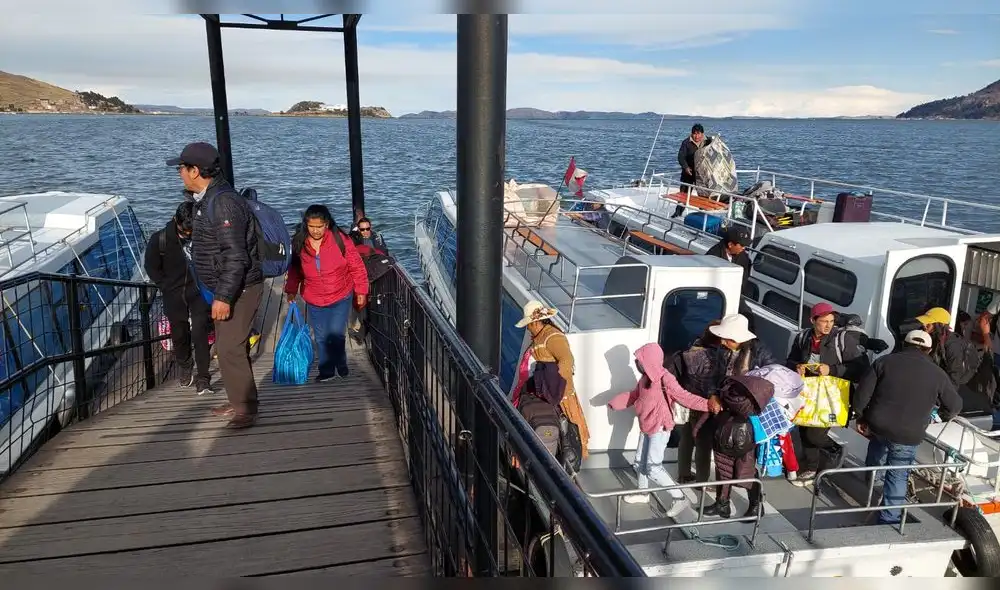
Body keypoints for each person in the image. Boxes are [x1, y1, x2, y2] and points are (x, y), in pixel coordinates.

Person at [167, 142, 263, 429]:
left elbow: (236, 254)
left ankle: (246, 409)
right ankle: (238, 401)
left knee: (230, 347)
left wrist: (223, 296)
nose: (179, 174)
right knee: (226, 345)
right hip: (226, 287)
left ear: (195, 170)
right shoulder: (208, 198)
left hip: (239, 288)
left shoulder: (223, 202)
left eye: (182, 168)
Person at [853, 329, 962, 525]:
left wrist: (861, 417)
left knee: (877, 451)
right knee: (898, 475)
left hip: (879, 425)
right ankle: (889, 519)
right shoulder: (938, 373)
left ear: (904, 344)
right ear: (929, 350)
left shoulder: (884, 362)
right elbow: (954, 406)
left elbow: (862, 393)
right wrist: (937, 418)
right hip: (909, 433)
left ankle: (871, 488)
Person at [609, 342, 722, 514]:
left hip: (660, 427)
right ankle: (643, 492)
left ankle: (679, 498)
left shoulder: (665, 378)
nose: (638, 364)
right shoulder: (645, 378)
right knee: (640, 461)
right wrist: (615, 402)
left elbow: (685, 397)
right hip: (646, 425)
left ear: (650, 362)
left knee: (653, 466)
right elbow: (634, 395)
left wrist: (708, 405)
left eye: (640, 361)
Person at [785, 302, 870, 486]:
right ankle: (811, 467)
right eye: (824, 321)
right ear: (812, 321)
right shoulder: (803, 337)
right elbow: (790, 360)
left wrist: (831, 369)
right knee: (803, 427)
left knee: (814, 434)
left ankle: (833, 449)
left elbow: (861, 369)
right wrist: (796, 366)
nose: (828, 325)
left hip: (831, 396)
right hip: (807, 393)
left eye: (831, 321)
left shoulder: (843, 340)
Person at [286, 205, 369, 382]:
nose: (315, 230)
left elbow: (357, 267)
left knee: (336, 334)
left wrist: (361, 290)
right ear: (306, 225)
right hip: (314, 297)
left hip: (340, 295)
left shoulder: (341, 239)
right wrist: (291, 289)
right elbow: (295, 270)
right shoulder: (299, 242)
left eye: (319, 226)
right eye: (311, 226)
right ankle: (327, 370)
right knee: (321, 336)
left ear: (327, 224)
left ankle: (341, 363)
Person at [143, 201, 213, 395]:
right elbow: (151, 266)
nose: (189, 234)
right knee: (179, 334)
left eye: (192, 230)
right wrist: (164, 284)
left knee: (200, 333)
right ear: (176, 220)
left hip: (199, 292)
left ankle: (204, 377)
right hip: (173, 294)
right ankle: (185, 364)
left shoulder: (204, 236)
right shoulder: (160, 240)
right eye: (185, 230)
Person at [515, 301, 591, 461]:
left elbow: (566, 361)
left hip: (558, 396)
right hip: (545, 394)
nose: (528, 328)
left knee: (566, 432)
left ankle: (568, 459)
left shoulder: (552, 337)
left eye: (529, 324)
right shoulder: (540, 335)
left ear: (535, 322)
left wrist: (554, 391)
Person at [671, 320, 726, 485]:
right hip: (705, 404)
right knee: (703, 443)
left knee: (686, 438)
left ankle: (683, 474)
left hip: (689, 400)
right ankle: (702, 481)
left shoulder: (691, 350)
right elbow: (711, 383)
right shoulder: (712, 357)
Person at [348, 217, 392, 342]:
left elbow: (384, 252)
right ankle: (361, 327)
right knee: (360, 301)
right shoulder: (354, 239)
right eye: (362, 229)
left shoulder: (377, 238)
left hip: (375, 274)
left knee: (372, 303)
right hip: (362, 276)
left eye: (368, 228)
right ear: (358, 229)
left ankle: (367, 328)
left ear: (371, 227)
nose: (365, 231)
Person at [706, 226, 753, 295]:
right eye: (741, 245)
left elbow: (743, 280)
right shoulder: (713, 256)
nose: (743, 248)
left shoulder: (744, 258)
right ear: (730, 244)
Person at [677, 123, 705, 195]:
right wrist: (686, 167)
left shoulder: (707, 142)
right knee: (683, 197)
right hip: (688, 173)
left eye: (698, 134)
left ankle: (702, 206)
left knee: (703, 197)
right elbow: (681, 157)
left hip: (702, 174)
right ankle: (681, 206)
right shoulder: (686, 143)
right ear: (691, 134)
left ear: (702, 134)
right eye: (694, 134)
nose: (696, 136)